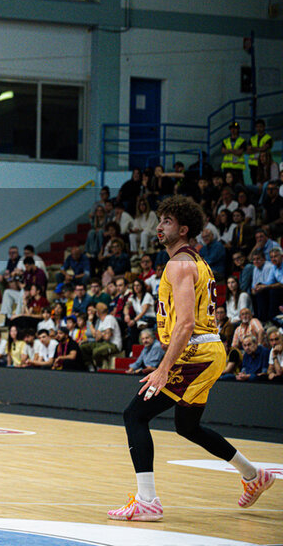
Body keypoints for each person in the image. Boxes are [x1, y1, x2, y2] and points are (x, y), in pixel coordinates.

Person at [108, 195, 274, 522]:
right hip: (207, 351)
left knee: (135, 415)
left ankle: (147, 501)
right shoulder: (195, 261)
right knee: (188, 426)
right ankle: (254, 475)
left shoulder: (180, 263)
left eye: (167, 222)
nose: (159, 227)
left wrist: (163, 368)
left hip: (194, 352)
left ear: (183, 229)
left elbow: (185, 322)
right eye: (159, 220)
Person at [80, 302, 121, 370]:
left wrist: (102, 334)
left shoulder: (109, 318)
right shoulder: (101, 321)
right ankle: (91, 366)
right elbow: (96, 338)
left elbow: (107, 337)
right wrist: (90, 322)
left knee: (96, 351)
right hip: (104, 343)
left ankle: (99, 368)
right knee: (83, 347)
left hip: (114, 345)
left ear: (98, 312)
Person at [220, 121, 247, 185]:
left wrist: (229, 150)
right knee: (226, 185)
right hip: (227, 167)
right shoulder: (225, 141)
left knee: (238, 185)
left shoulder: (242, 141)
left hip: (237, 168)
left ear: (238, 130)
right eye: (232, 128)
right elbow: (223, 151)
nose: (233, 130)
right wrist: (234, 151)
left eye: (235, 128)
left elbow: (240, 152)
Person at [247, 118, 272, 185]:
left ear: (264, 127)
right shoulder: (252, 138)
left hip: (262, 165)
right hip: (252, 165)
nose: (259, 128)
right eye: (257, 127)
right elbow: (248, 151)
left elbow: (264, 149)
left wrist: (253, 148)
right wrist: (260, 148)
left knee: (263, 183)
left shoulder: (268, 138)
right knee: (254, 183)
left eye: (260, 126)